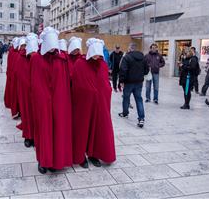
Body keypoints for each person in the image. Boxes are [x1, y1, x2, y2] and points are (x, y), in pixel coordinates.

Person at [30, 27, 72, 174]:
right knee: (44, 132)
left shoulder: (61, 60)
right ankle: (43, 160)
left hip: (59, 102)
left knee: (58, 131)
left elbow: (65, 83)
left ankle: (56, 160)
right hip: (43, 103)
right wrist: (43, 99)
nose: (54, 50)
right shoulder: (36, 58)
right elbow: (35, 83)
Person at [71, 38, 116, 168]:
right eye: (94, 54)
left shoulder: (103, 64)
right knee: (83, 129)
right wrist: (88, 92)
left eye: (99, 54)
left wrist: (105, 91)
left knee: (99, 128)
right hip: (84, 104)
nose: (97, 56)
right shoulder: (80, 64)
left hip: (101, 104)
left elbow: (105, 82)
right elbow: (77, 84)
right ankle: (80, 156)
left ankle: (94, 154)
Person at [15, 34, 38, 148]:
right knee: (27, 115)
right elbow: (20, 75)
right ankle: (28, 136)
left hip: (38, 93)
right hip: (26, 92)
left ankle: (36, 136)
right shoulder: (21, 58)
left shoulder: (40, 58)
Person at [118, 43, 149, 128]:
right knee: (139, 99)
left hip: (128, 82)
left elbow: (123, 70)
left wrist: (121, 81)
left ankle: (125, 113)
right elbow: (146, 70)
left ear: (130, 48)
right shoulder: (143, 57)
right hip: (139, 82)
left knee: (126, 98)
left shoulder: (126, 57)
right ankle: (141, 118)